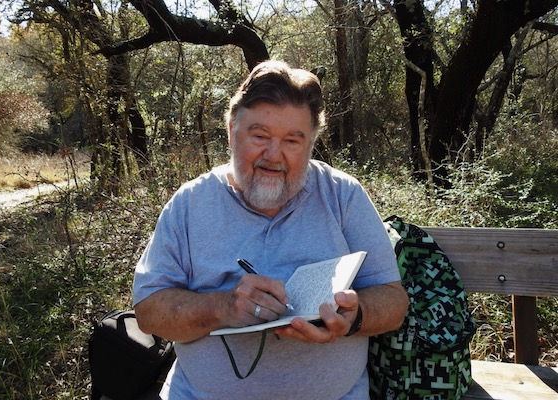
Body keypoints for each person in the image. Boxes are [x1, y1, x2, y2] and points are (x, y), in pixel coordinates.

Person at [133, 60, 409, 399]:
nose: (274, 156)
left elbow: (393, 300)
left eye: (293, 141)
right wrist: (223, 308)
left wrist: (355, 316)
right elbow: (149, 311)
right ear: (233, 132)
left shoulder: (343, 195)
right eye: (260, 136)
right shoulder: (189, 203)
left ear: (311, 144)